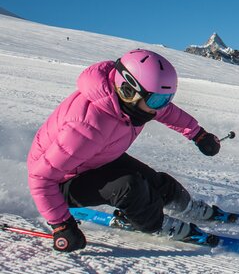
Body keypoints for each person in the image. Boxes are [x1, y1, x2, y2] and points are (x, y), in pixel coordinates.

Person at [27, 49, 224, 253]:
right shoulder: (85, 127)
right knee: (130, 188)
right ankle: (155, 225)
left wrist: (198, 134)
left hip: (95, 158)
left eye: (166, 99)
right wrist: (62, 225)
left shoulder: (132, 103)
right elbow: (41, 178)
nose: (160, 108)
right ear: (128, 90)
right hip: (62, 182)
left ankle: (186, 206)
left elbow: (169, 113)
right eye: (157, 101)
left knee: (153, 181)